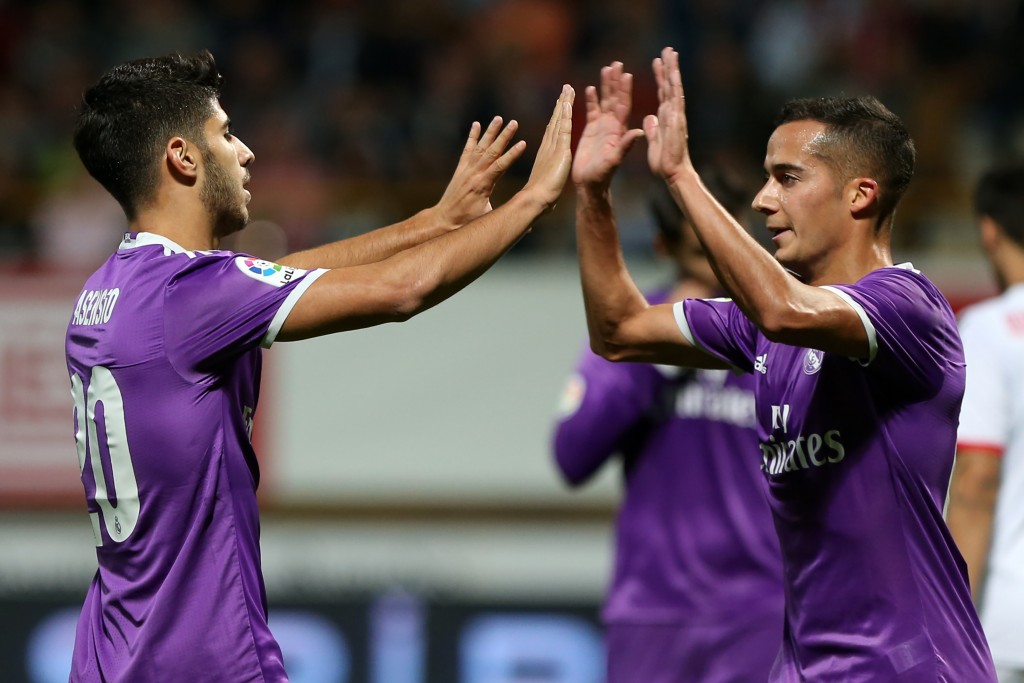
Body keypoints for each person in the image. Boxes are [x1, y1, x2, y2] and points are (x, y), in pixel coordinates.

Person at [65, 49, 574, 682]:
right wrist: (534, 201)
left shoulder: (106, 294)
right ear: (183, 157)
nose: (245, 152)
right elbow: (399, 291)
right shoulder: (191, 295)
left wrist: (434, 222)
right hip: (204, 655)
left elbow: (286, 275)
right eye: (225, 134)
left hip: (109, 655)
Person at [571, 49, 997, 681]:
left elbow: (781, 308)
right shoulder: (764, 326)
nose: (765, 200)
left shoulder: (909, 309)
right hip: (801, 666)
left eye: (788, 178)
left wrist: (682, 177)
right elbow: (619, 330)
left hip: (907, 664)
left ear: (860, 193)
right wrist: (593, 192)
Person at [551, 171, 783, 683]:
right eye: (703, 254)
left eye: (730, 243)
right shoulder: (627, 334)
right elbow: (571, 457)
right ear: (664, 246)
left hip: (762, 610)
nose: (720, 271)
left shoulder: (783, 334)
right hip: (654, 611)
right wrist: (657, 359)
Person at [946, 162, 1024, 683]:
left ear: (988, 229)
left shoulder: (991, 329)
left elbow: (975, 483)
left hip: (1009, 621)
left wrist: (950, 626)